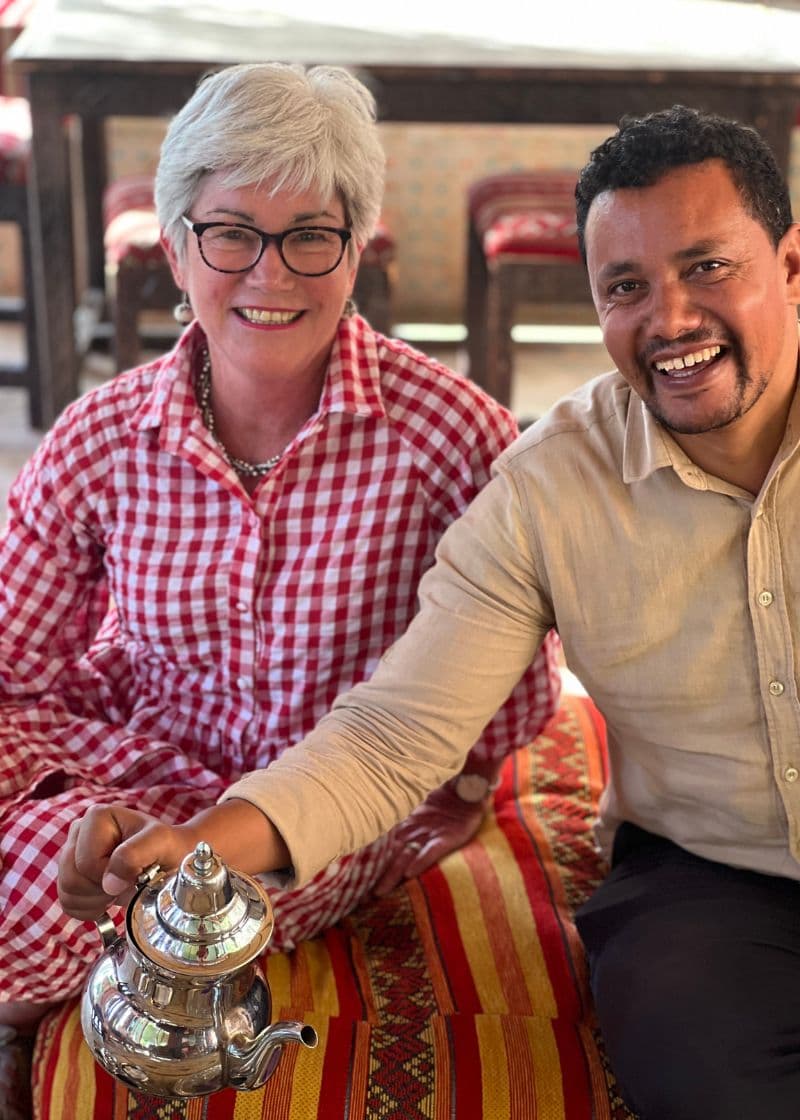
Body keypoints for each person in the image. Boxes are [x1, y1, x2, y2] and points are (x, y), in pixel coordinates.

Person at [62, 102, 800, 1119]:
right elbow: (394, 736)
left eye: (707, 267)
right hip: (708, 870)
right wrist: (198, 848)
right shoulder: (551, 486)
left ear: (789, 265)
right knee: (696, 1062)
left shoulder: (445, 429)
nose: (669, 319)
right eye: (626, 287)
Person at [0, 61, 561, 1113]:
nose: (271, 273)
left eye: (310, 234)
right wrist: (62, 786)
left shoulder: (453, 439)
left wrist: (457, 794)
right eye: (230, 234)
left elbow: (512, 695)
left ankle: (32, 997)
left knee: (74, 894)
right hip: (134, 749)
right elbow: (14, 661)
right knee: (57, 848)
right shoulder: (102, 434)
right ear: (176, 248)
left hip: (310, 806)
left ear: (358, 248)